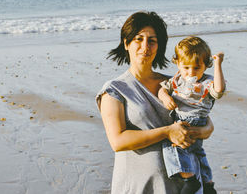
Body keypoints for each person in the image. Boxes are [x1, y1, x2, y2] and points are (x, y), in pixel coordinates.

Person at [96, 11, 214, 193]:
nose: (145, 46)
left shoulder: (176, 84)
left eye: (152, 40)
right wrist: (167, 132)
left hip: (186, 186)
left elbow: (203, 117)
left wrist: (204, 130)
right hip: (141, 186)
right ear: (126, 43)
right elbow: (118, 141)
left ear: (159, 46)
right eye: (138, 39)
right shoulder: (114, 89)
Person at [158, 36, 226, 194]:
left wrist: (218, 64)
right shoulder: (177, 79)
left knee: (173, 145)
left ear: (205, 65)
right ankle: (208, 183)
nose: (191, 72)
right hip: (190, 119)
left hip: (191, 119)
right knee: (196, 151)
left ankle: (189, 179)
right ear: (177, 63)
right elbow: (163, 89)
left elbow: (219, 90)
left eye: (197, 67)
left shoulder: (207, 82)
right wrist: (165, 97)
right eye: (186, 67)